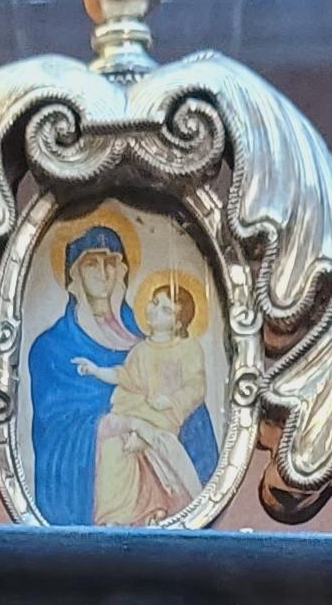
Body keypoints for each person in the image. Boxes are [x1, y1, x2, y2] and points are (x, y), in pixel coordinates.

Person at [26, 225, 217, 526]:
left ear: (122, 270)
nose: (103, 273)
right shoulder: (52, 349)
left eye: (111, 263)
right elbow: (55, 434)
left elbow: (193, 414)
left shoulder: (151, 343)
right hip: (103, 491)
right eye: (91, 264)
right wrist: (124, 424)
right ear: (74, 275)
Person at [93, 270, 216, 524]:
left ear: (178, 323)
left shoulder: (188, 349)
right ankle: (119, 514)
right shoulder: (141, 350)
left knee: (149, 446)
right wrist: (96, 371)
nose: (154, 310)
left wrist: (171, 400)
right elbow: (126, 376)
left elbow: (196, 386)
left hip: (163, 418)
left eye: (165, 310)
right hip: (137, 410)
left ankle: (156, 506)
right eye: (155, 302)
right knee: (113, 443)